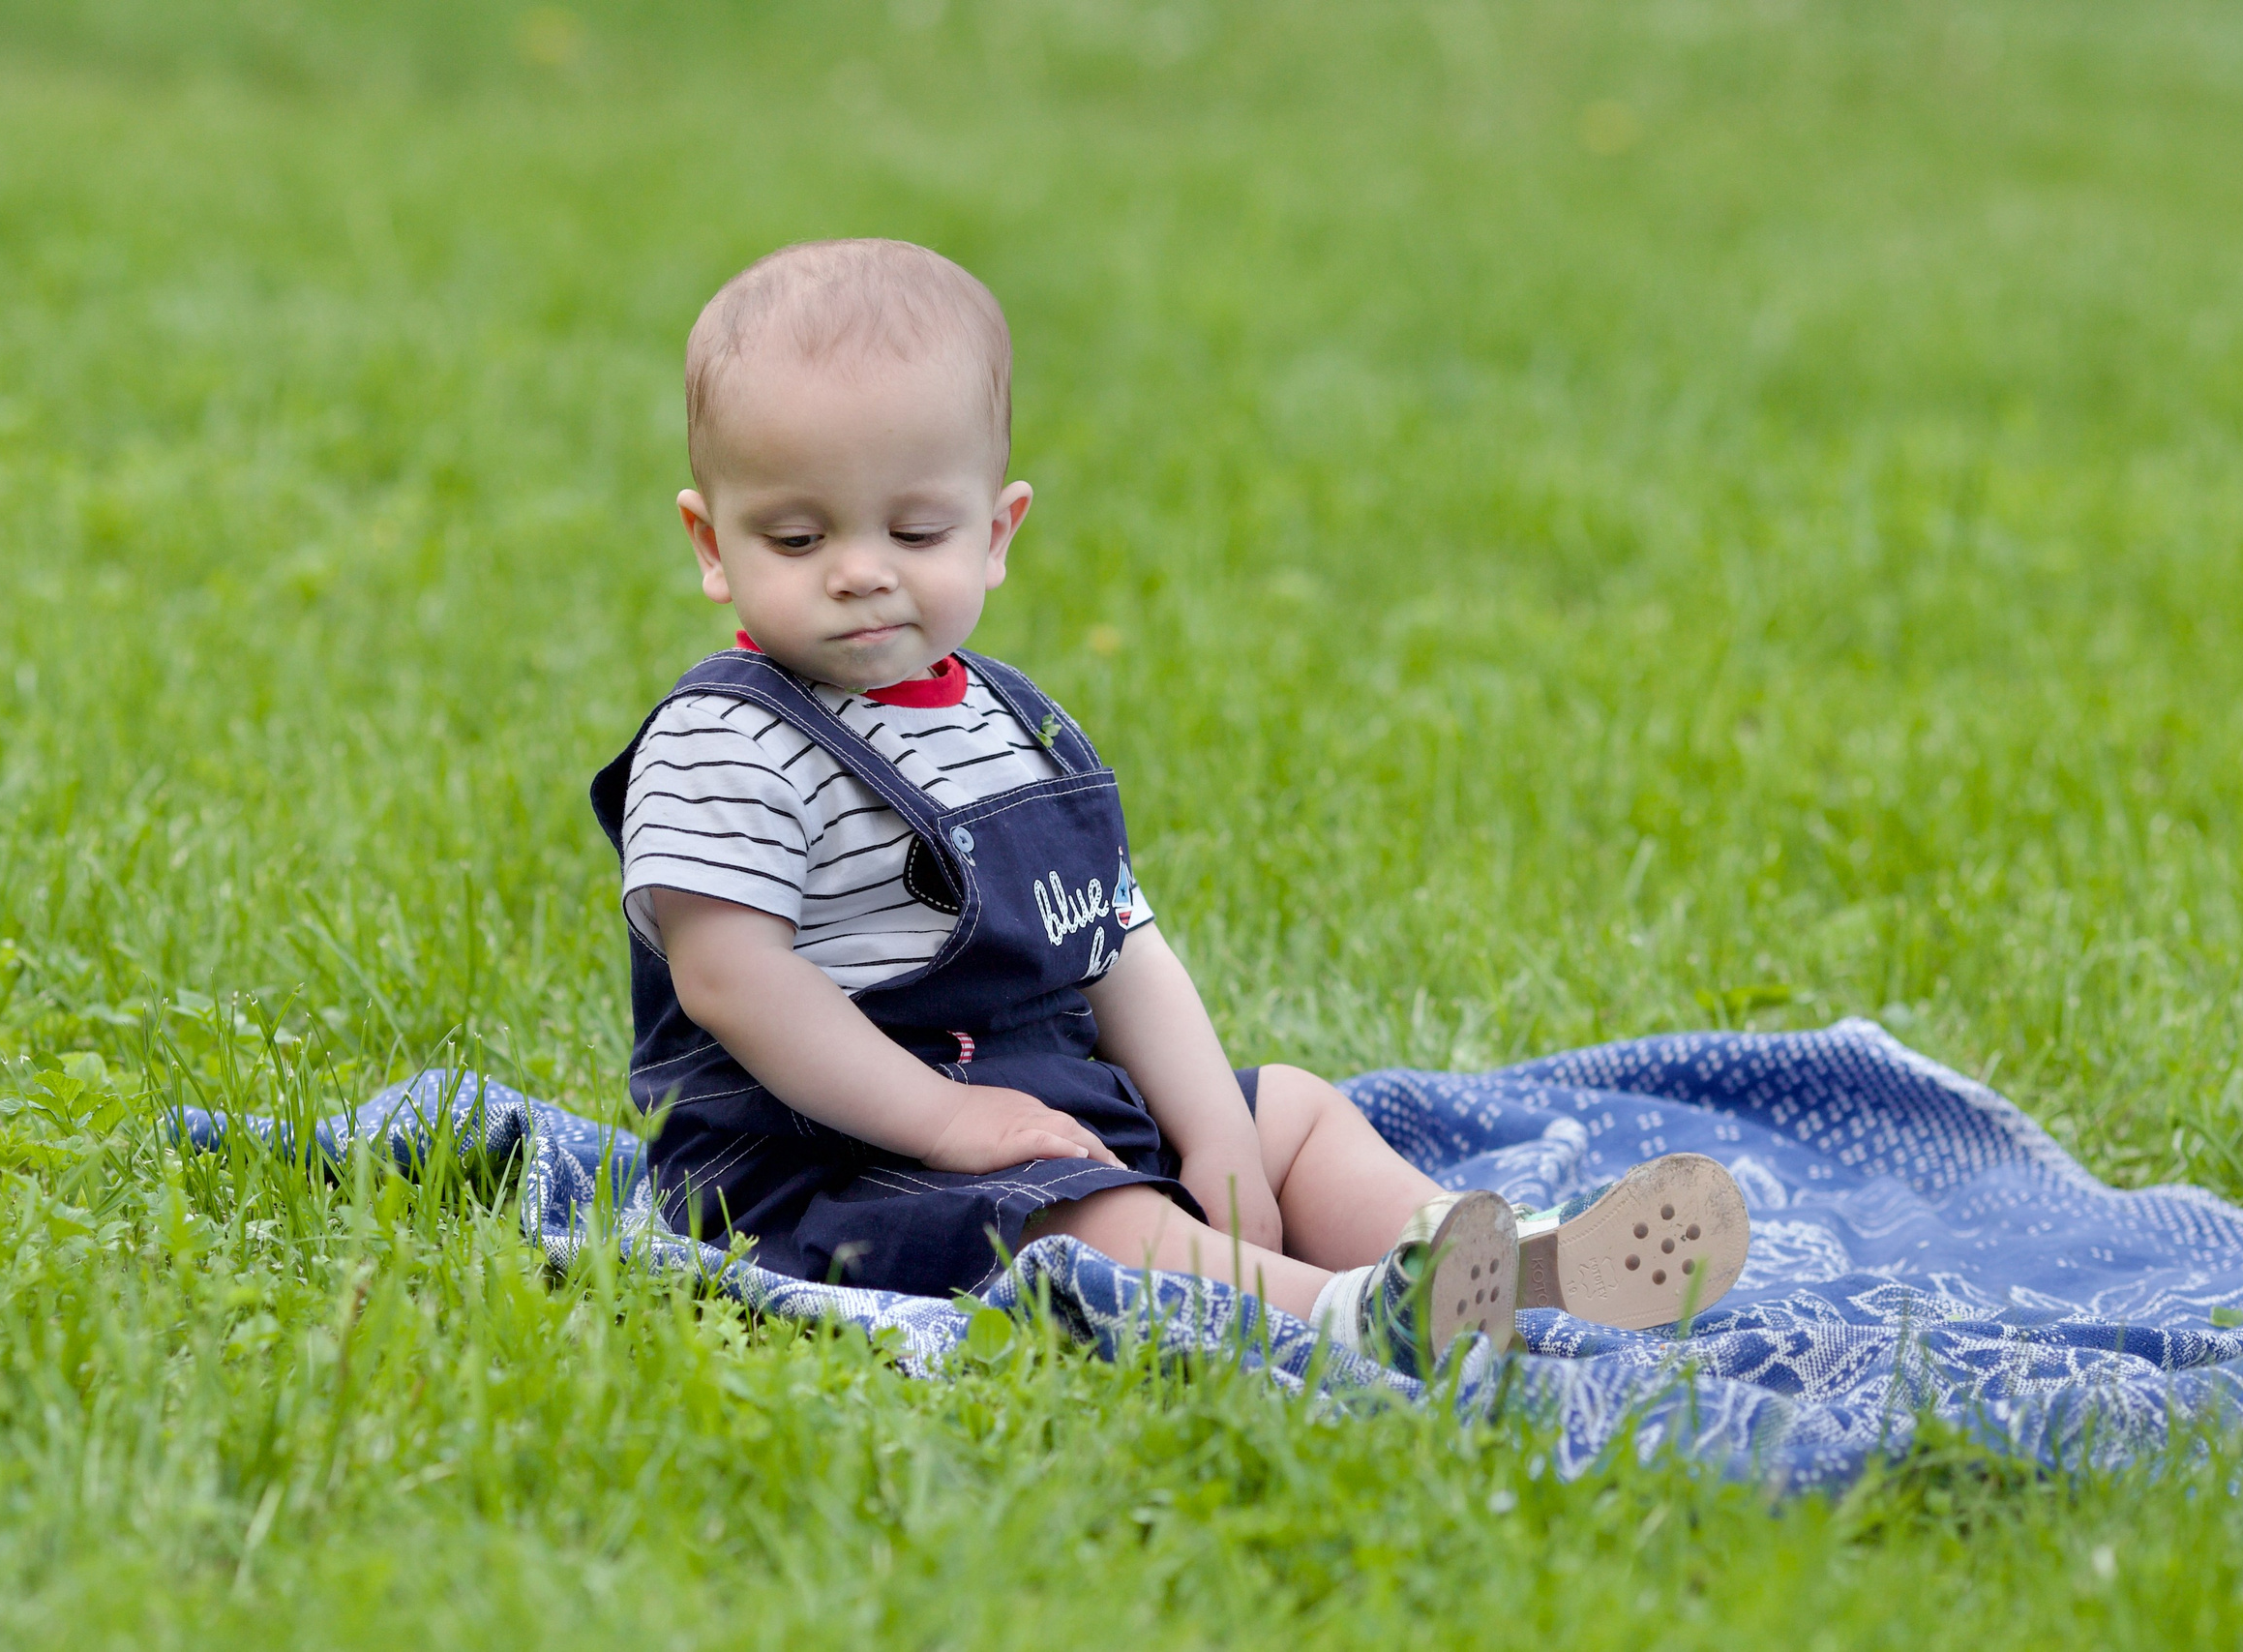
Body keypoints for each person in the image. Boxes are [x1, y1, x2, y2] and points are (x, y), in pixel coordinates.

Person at [590, 239, 1750, 1376]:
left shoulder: (1011, 724)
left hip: (1045, 1111)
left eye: (915, 531)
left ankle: (1462, 1252)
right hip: (830, 1166)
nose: (858, 569)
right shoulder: (727, 739)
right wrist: (949, 1127)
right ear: (711, 542)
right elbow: (733, 979)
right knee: (1078, 1225)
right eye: (797, 537)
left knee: (1286, 1110)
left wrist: (1218, 1136)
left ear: (996, 536)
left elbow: (1116, 943)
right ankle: (1338, 1316)